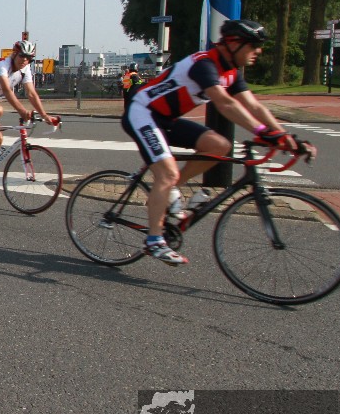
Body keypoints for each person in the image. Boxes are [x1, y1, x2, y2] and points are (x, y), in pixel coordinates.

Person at [122, 18, 313, 265]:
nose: (258, 52)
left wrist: (286, 137)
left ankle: (167, 191)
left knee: (220, 146)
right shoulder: (205, 64)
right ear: (233, 43)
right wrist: (264, 132)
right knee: (167, 173)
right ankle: (154, 240)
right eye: (253, 46)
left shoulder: (231, 73)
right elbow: (225, 103)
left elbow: (254, 106)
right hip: (143, 112)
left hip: (165, 118)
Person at [0, 40, 59, 179]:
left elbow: (31, 93)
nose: (25, 60)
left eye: (29, 58)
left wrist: (45, 115)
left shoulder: (25, 69)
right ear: (14, 54)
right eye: (22, 56)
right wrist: (22, 111)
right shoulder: (3, 65)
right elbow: (7, 91)